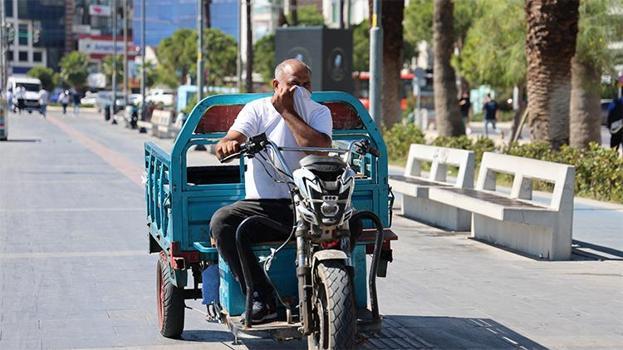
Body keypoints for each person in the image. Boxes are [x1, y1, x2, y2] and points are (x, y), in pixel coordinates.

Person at [211, 59, 335, 324]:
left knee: (351, 225)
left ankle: (334, 291)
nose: (300, 90)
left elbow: (319, 149)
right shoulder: (256, 110)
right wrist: (228, 145)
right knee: (223, 222)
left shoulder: (318, 112)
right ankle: (260, 297)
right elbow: (233, 137)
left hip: (309, 202)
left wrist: (288, 112)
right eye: (293, 85)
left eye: (305, 85)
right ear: (276, 85)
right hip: (265, 207)